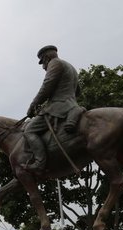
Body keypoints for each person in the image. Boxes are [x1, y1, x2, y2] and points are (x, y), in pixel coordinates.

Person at [23, 45, 82, 173]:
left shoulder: (54, 64)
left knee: (29, 130)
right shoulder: (71, 67)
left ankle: (39, 162)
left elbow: (47, 86)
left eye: (43, 62)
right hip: (72, 104)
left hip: (59, 107)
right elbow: (78, 92)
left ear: (46, 57)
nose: (43, 67)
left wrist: (33, 105)